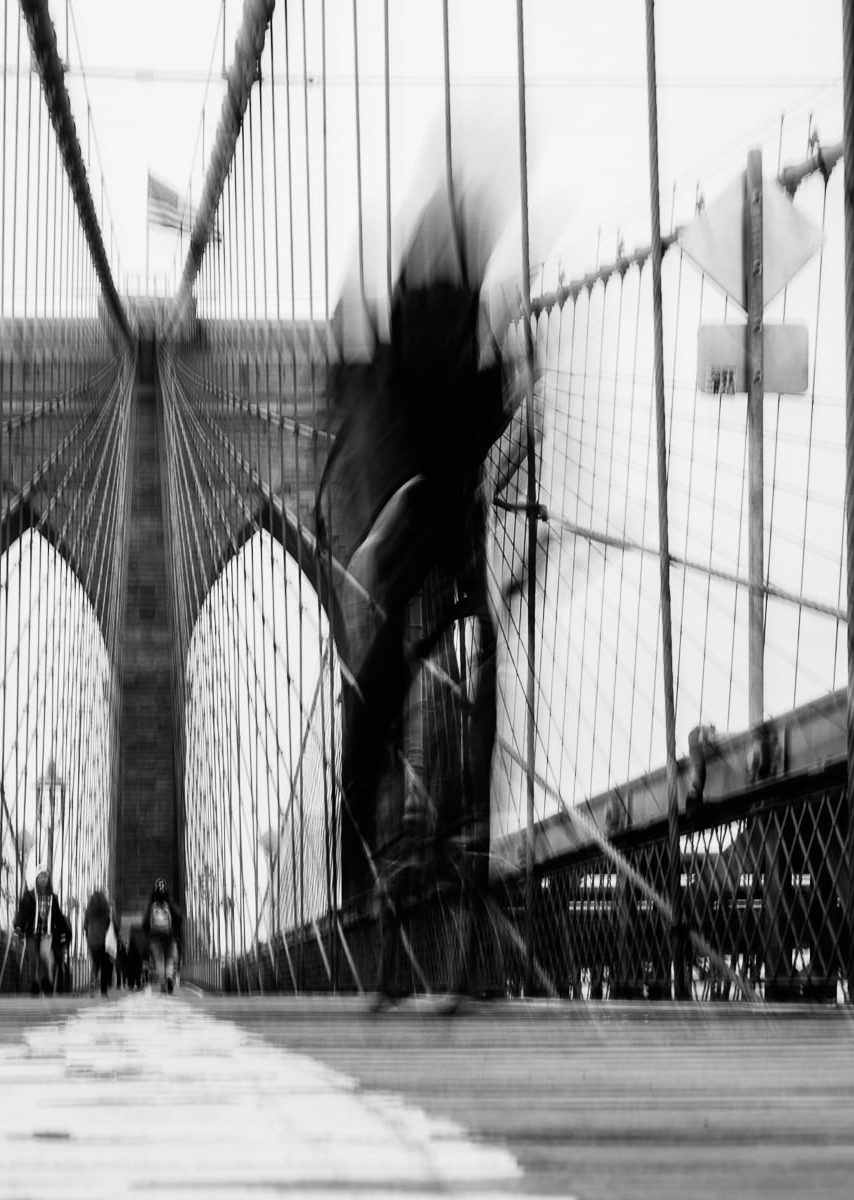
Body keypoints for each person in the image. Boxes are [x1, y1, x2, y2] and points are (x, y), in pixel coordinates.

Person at [319, 115, 529, 1012]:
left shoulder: (406, 312)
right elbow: (474, 412)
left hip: (413, 530)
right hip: (438, 528)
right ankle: (443, 867)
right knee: (455, 691)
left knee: (376, 703)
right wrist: (510, 368)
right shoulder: (446, 310)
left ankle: (372, 875)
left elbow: (388, 408)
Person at [14, 870, 70, 996]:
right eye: (41, 876)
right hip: (31, 934)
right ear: (36, 878)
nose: (44, 879)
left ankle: (47, 980)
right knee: (33, 959)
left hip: (47, 933)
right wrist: (18, 928)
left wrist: (62, 935)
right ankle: (34, 983)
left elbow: (58, 917)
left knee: (45, 956)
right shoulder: (29, 896)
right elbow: (22, 913)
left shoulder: (53, 897)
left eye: (46, 876)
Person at [142, 878, 182, 995]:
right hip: (169, 935)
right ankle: (169, 976)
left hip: (155, 936)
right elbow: (179, 917)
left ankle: (163, 985)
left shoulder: (150, 902)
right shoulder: (169, 901)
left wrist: (148, 934)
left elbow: (144, 921)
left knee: (159, 961)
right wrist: (175, 931)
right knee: (169, 958)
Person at [83, 887, 114, 997]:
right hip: (104, 942)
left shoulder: (89, 911)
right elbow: (112, 926)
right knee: (105, 966)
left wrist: (88, 938)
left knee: (95, 964)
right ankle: (103, 990)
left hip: (92, 941)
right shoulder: (106, 912)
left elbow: (85, 926)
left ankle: (92, 984)